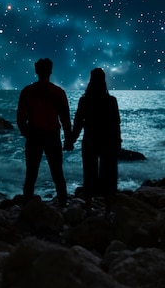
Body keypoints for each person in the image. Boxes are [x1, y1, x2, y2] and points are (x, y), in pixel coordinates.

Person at [17, 58, 73, 206]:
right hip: (52, 135)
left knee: (31, 174)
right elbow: (65, 119)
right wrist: (69, 139)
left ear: (36, 71)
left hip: (34, 135)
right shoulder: (58, 92)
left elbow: (21, 119)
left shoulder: (27, 91)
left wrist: (27, 133)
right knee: (57, 173)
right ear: (50, 71)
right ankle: (63, 204)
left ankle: (27, 205)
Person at [72, 68, 121, 211]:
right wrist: (118, 142)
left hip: (90, 140)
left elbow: (78, 122)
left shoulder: (85, 100)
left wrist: (71, 140)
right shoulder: (111, 101)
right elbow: (116, 123)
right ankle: (108, 209)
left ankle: (88, 206)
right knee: (109, 174)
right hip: (108, 141)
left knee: (89, 173)